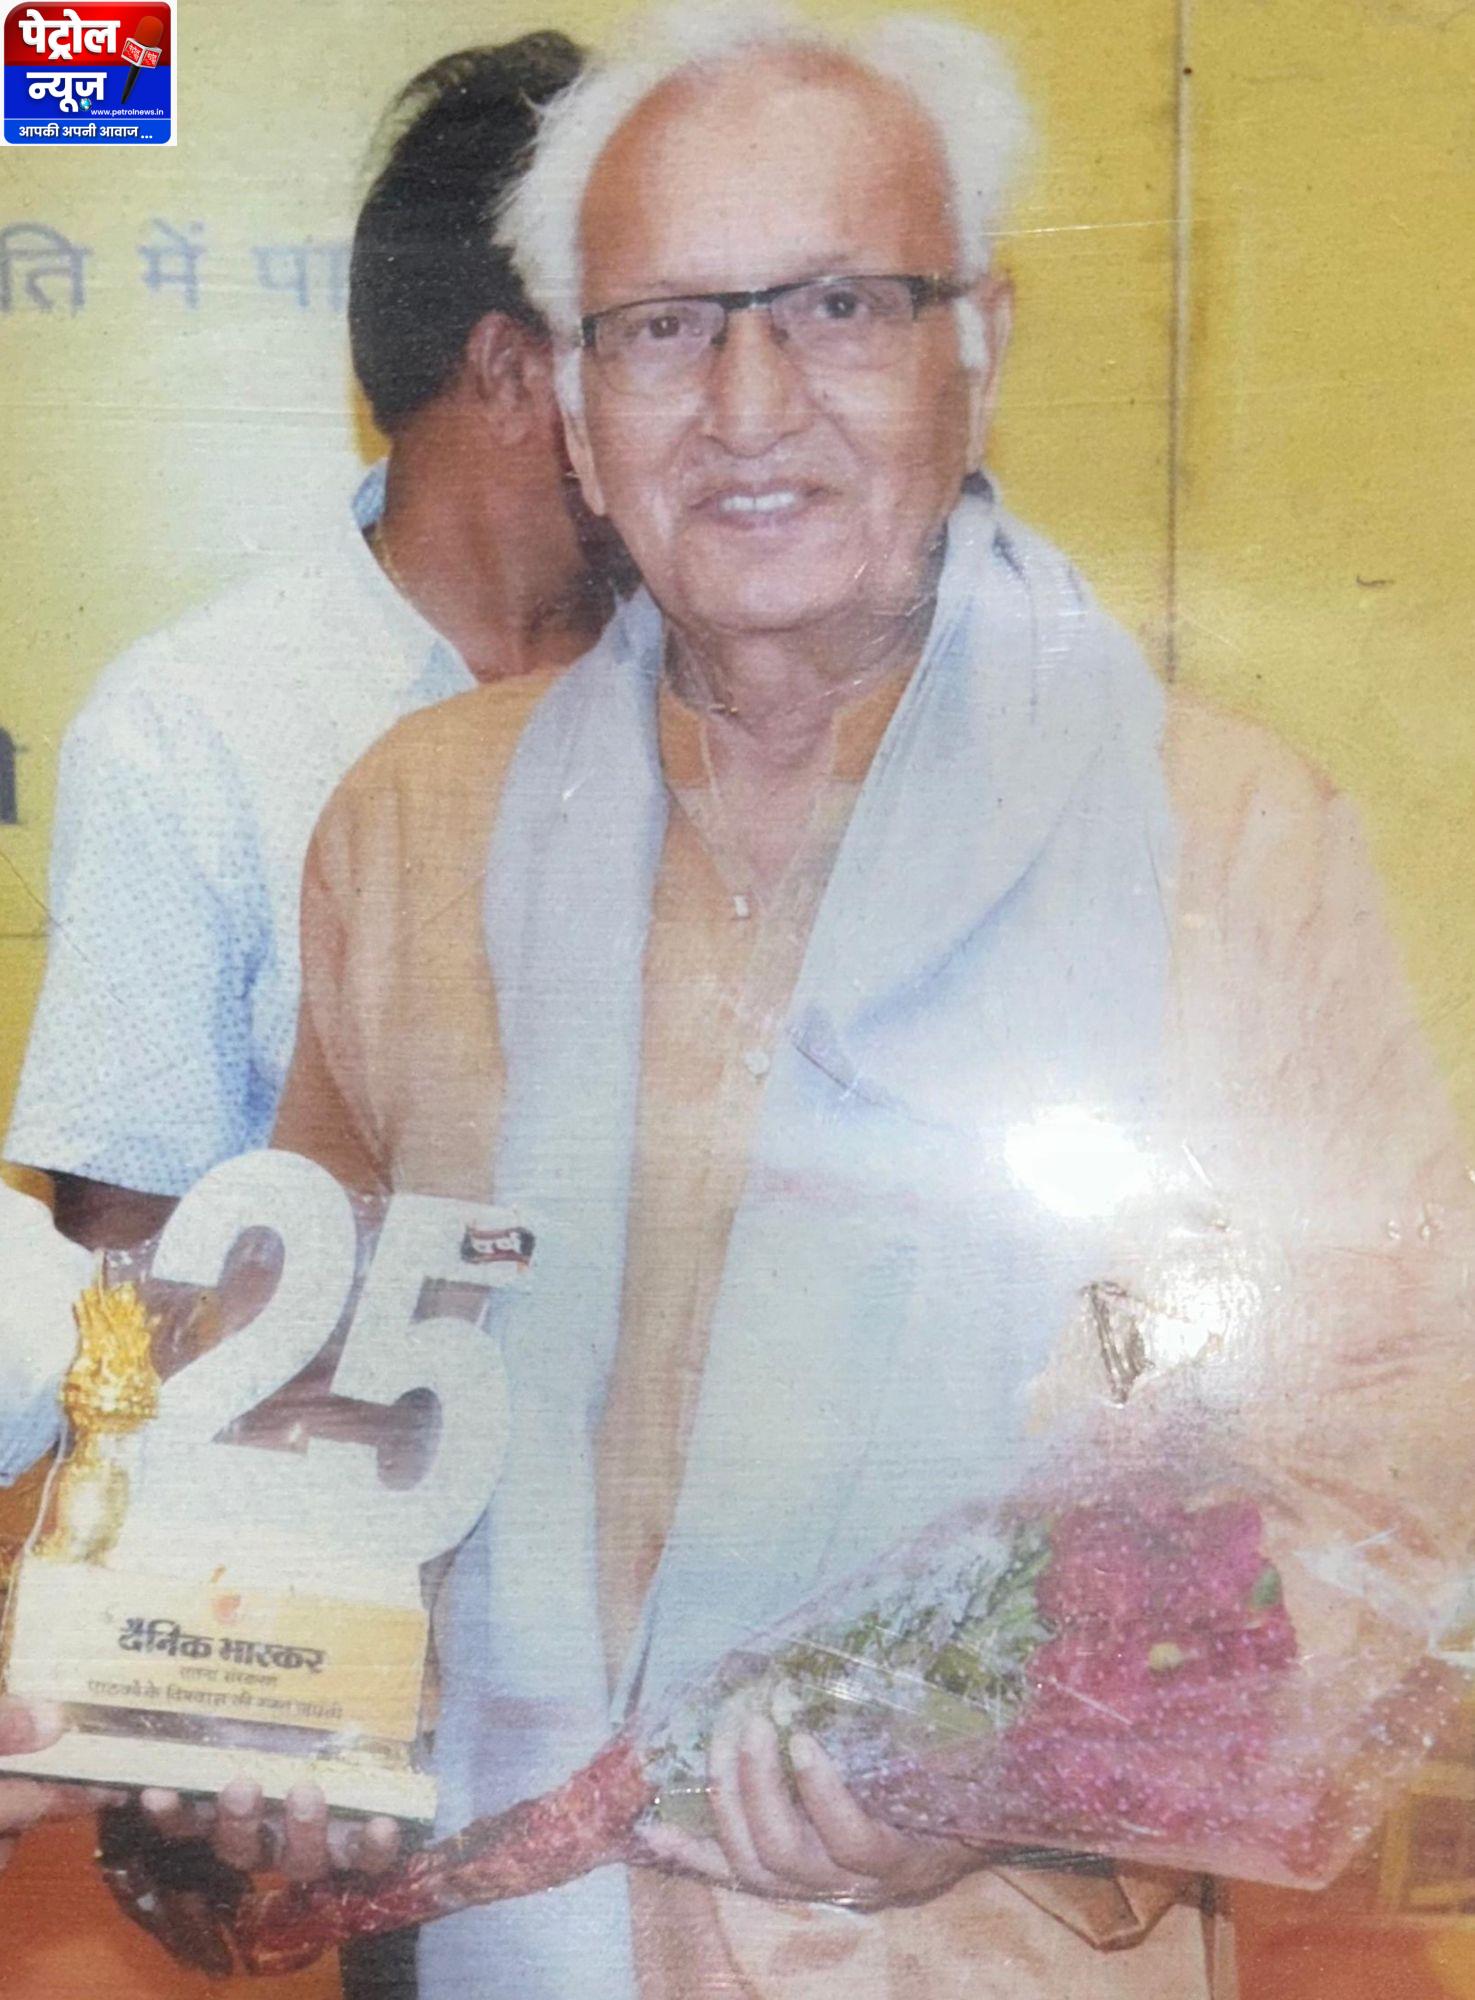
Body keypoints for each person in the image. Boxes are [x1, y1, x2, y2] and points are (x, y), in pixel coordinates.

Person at [122, 6, 1475, 1996]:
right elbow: (310, 1396)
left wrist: (1008, 1761)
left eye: (838, 304)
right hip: (493, 1943)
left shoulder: (1222, 843)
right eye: (664, 327)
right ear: (575, 409)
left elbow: (1384, 1477)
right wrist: (254, 1691)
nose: (747, 406)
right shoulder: (415, 830)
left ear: (974, 348)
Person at [2, 31, 605, 1255]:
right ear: (509, 370)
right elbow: (129, 1250)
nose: (717, 392)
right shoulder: (193, 726)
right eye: (659, 327)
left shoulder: (740, 678)